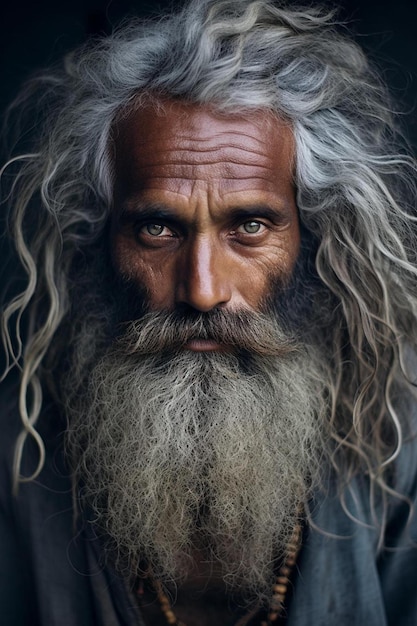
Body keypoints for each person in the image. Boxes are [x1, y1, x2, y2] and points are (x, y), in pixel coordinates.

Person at [1, 0, 417, 624]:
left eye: (249, 226)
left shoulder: (399, 440)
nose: (202, 290)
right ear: (100, 242)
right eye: (157, 229)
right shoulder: (16, 459)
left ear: (312, 237)